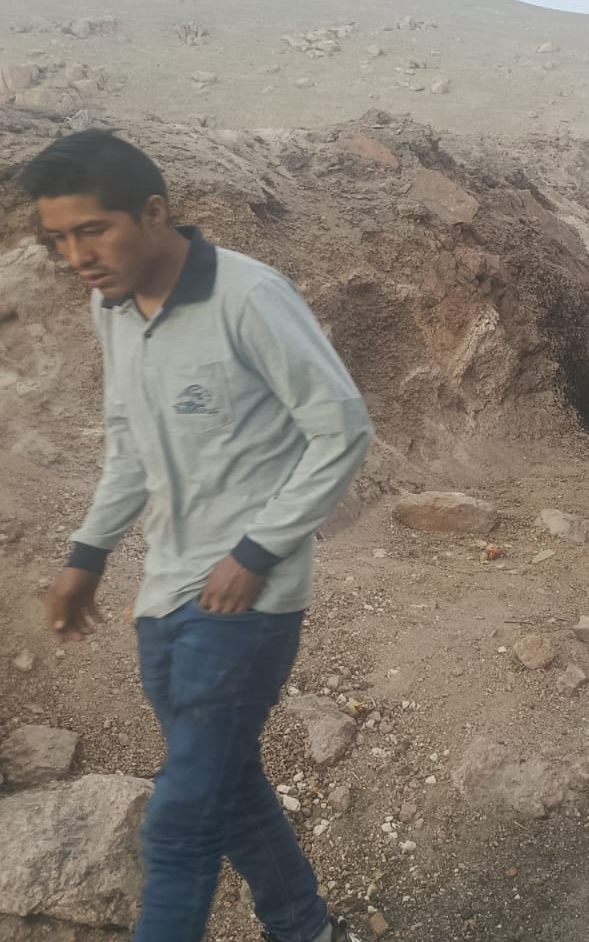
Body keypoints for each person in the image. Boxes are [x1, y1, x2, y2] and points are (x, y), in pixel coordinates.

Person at [22, 130, 373, 942]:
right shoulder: (112, 308)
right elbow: (129, 446)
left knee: (179, 820)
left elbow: (342, 429)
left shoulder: (249, 298)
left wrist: (257, 551)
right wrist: (87, 554)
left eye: (93, 230)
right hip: (164, 594)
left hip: (246, 601)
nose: (78, 256)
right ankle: (306, 928)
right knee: (228, 784)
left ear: (153, 212)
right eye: (61, 239)